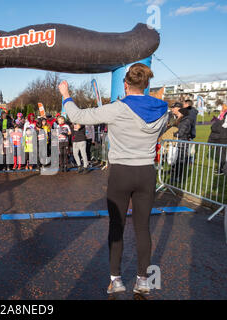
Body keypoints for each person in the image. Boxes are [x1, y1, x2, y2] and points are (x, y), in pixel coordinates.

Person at [59, 63, 168, 295]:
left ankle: (116, 280)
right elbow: (157, 133)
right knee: (142, 228)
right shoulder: (163, 109)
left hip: (121, 172)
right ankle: (142, 281)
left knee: (116, 226)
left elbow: (78, 115)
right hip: (146, 171)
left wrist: (66, 95)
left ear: (125, 84)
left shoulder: (117, 108)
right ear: (147, 85)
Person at [208, 98, 227, 175]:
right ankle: (222, 168)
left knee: (222, 153)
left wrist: (217, 124)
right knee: (219, 153)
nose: (222, 106)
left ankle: (224, 169)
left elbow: (226, 125)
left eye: (224, 104)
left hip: (224, 136)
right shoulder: (223, 113)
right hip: (220, 135)